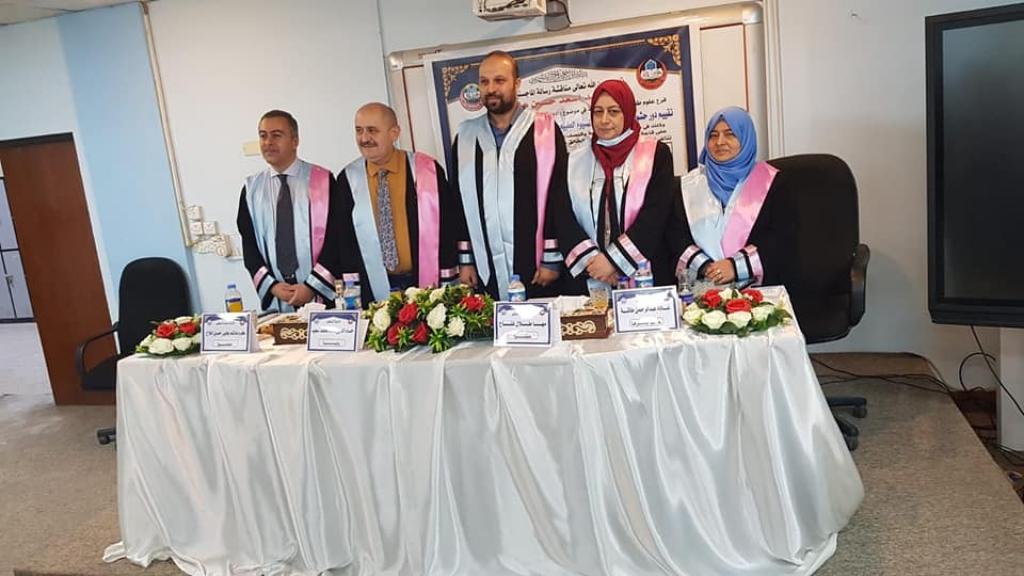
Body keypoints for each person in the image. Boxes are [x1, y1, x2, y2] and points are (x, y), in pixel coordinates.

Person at [450, 50, 570, 300]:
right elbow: (458, 204)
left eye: (499, 80)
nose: (491, 88)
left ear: (517, 84)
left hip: (536, 263)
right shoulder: (466, 138)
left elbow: (559, 197)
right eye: (484, 82)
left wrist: (552, 257)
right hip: (485, 264)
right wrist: (466, 260)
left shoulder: (544, 131)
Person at [561, 79, 684, 290]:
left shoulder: (656, 154)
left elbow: (656, 215)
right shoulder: (573, 161)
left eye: (613, 111)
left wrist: (614, 262)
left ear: (627, 112)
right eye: (598, 112)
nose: (604, 120)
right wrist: (595, 264)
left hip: (646, 271)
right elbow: (564, 217)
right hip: (590, 274)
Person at [328, 102, 458, 302]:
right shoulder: (348, 179)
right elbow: (343, 240)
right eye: (359, 130)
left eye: (372, 130)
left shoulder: (427, 170)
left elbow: (448, 226)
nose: (364, 138)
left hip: (425, 281)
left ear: (394, 133)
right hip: (372, 287)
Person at [236, 109, 336, 311]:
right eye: (263, 136)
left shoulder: (323, 182)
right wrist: (272, 286)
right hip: (278, 297)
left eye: (276, 135)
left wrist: (311, 286)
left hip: (320, 295)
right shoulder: (252, 189)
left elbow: (337, 239)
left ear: (295, 141)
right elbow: (249, 245)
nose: (268, 142)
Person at [676, 106, 781, 287]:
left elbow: (780, 238)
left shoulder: (772, 182)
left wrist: (735, 266)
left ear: (746, 138)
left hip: (758, 292)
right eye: (713, 135)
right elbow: (676, 236)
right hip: (702, 289)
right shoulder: (688, 185)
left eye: (730, 134)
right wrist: (706, 267)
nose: (720, 142)